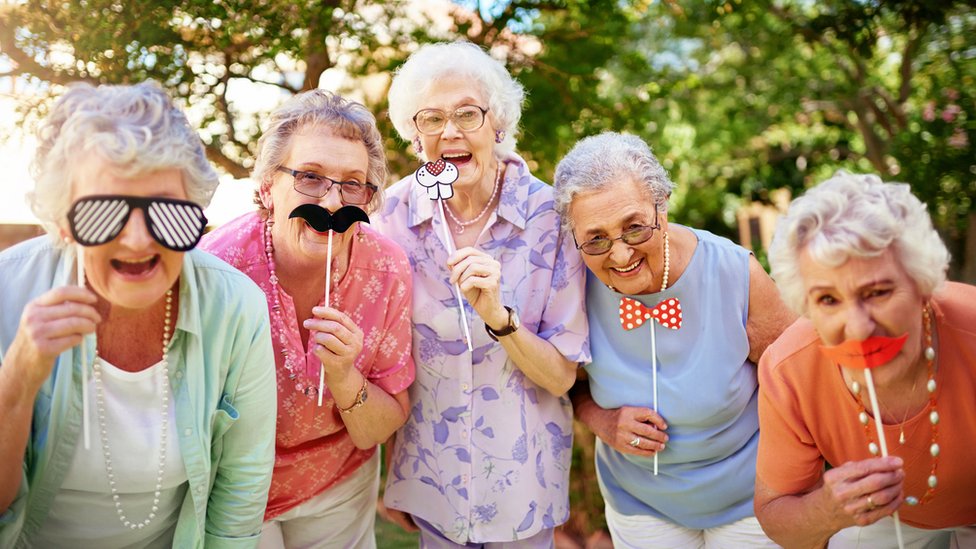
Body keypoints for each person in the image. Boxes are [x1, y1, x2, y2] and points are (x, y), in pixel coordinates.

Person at [0, 81, 276, 548]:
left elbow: (240, 493)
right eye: (103, 212)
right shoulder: (7, 290)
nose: (137, 240)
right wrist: (18, 380)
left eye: (168, 213)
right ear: (63, 222)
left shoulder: (234, 307)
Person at [372, 41, 590, 548]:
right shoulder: (393, 217)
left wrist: (501, 317)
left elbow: (561, 375)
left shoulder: (551, 217)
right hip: (431, 481)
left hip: (523, 488)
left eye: (467, 113)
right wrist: (396, 472)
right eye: (430, 118)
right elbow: (385, 359)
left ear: (498, 123)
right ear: (414, 134)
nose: (450, 131)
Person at [552, 132, 796, 548]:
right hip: (639, 503)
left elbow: (797, 384)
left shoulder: (736, 274)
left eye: (634, 228)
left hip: (751, 499)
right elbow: (565, 382)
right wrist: (601, 419)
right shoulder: (569, 287)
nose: (620, 255)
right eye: (595, 238)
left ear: (661, 207)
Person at [200, 89, 415, 548]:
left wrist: (343, 374)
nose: (334, 202)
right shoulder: (217, 269)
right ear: (266, 187)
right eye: (311, 177)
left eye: (353, 183)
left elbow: (376, 429)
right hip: (239, 486)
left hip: (338, 485)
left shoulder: (388, 270)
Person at [755, 171, 976, 548]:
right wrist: (828, 511)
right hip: (883, 520)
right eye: (827, 299)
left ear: (923, 284)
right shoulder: (789, 369)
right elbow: (776, 514)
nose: (857, 328)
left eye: (877, 292)